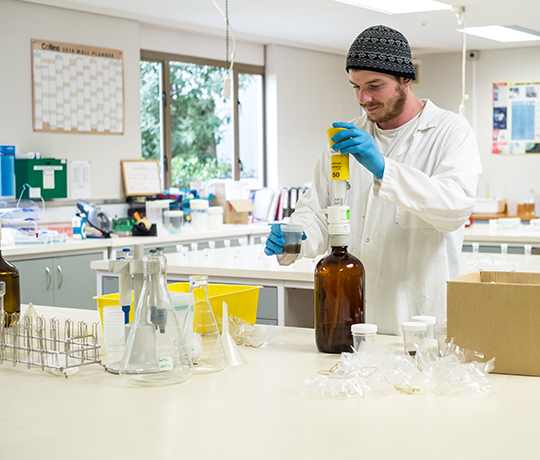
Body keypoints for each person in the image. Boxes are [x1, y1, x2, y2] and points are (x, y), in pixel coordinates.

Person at [264, 24, 482, 335]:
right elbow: (321, 214)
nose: (363, 97)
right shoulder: (344, 140)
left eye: (375, 85)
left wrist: (384, 169)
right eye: (355, 86)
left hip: (418, 318)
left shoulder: (450, 131)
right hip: (353, 319)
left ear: (405, 79)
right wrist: (295, 236)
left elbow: (455, 207)